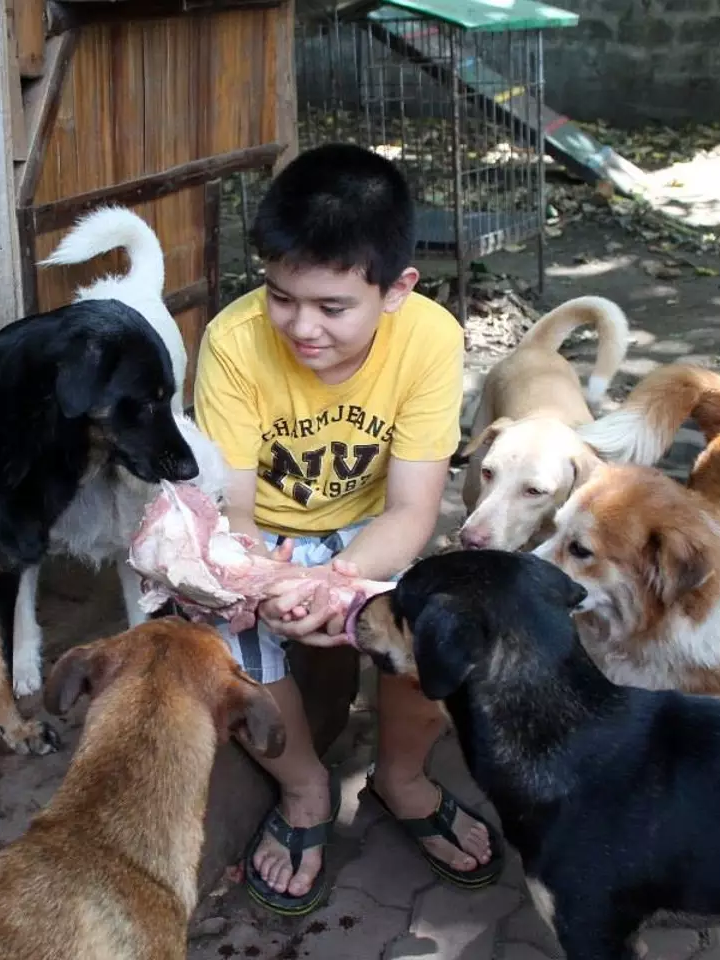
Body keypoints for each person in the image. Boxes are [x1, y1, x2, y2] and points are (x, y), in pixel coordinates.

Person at [192, 142, 503, 917]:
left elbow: (411, 510)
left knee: (427, 635)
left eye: (333, 307)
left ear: (397, 289)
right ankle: (305, 790)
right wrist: (267, 580)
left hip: (369, 529)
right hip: (266, 537)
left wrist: (337, 583)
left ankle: (401, 778)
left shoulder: (430, 337)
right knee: (232, 650)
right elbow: (232, 514)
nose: (302, 326)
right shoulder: (232, 343)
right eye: (281, 295)